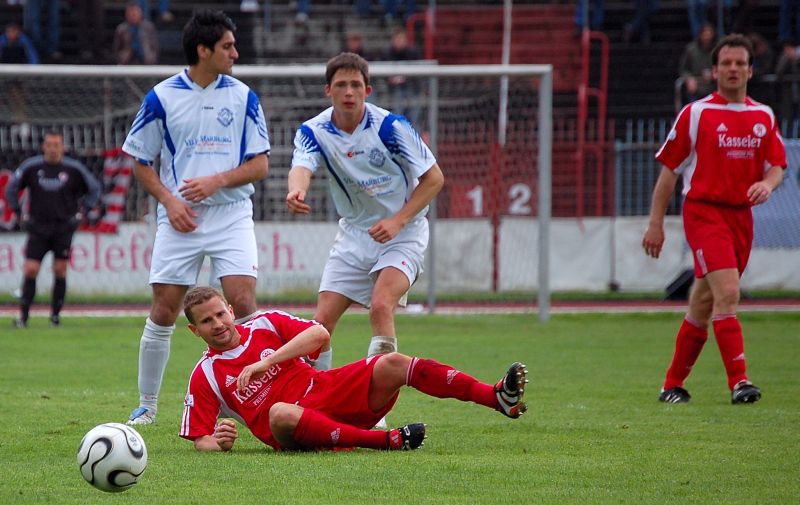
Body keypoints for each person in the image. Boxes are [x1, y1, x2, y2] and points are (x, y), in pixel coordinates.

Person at [121, 9, 270, 425]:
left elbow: (260, 164)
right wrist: (169, 202)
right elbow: (139, 161)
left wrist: (217, 180)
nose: (235, 53)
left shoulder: (244, 97)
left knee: (242, 303)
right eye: (227, 46)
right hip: (180, 216)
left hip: (231, 213)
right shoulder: (161, 97)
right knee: (164, 308)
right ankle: (147, 405)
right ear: (203, 50)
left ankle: (252, 397)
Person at [179, 286, 528, 452]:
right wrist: (220, 443)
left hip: (325, 390)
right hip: (290, 426)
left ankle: (496, 397)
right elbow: (200, 439)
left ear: (230, 309)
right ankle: (384, 441)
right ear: (195, 330)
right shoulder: (205, 374)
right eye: (207, 321)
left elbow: (320, 333)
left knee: (392, 363)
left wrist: (267, 362)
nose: (218, 324)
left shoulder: (265, 323)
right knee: (280, 412)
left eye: (220, 314)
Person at [642, 34, 786, 405]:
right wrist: (656, 223)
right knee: (729, 292)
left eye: (740, 63)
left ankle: (672, 385)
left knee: (704, 301)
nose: (733, 69)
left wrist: (767, 184)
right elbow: (670, 172)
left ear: (751, 70)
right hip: (704, 213)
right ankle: (740, 382)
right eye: (726, 63)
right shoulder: (697, 114)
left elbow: (777, 165)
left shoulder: (763, 115)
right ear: (714, 71)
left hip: (741, 218)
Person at [286, 53, 443, 381]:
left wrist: (398, 220)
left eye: (356, 85)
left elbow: (434, 179)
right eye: (341, 85)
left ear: (367, 90)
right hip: (355, 234)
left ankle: (377, 399)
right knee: (319, 326)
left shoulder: (392, 127)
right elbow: (302, 166)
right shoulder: (312, 131)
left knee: (381, 305)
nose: (349, 92)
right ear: (328, 90)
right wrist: (296, 190)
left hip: (404, 231)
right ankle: (316, 394)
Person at [5, 131, 101, 329]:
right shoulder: (32, 167)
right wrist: (18, 212)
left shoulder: (73, 169)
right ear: (43, 147)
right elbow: (11, 188)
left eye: (56, 145)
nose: (53, 149)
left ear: (62, 147)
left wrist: (83, 212)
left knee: (60, 269)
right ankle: (23, 317)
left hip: (63, 227)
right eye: (49, 144)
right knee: (31, 269)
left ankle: (55, 317)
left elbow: (94, 188)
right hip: (38, 226)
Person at [383, 26, 422, 126]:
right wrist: (391, 79)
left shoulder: (413, 52)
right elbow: (384, 73)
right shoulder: (388, 53)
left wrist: (404, 78)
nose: (399, 42)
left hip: (412, 88)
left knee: (414, 112)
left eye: (401, 39)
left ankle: (413, 132)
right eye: (397, 39)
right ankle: (398, 130)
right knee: (398, 102)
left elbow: (417, 72)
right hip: (394, 89)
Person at [679, 23, 716, 106]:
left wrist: (714, 74)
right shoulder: (691, 49)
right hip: (696, 85)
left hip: (713, 86)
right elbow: (683, 69)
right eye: (705, 34)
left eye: (709, 34)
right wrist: (689, 78)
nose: (707, 37)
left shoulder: (717, 49)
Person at [113, 1, 159, 65]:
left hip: (146, 61)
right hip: (126, 62)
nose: (133, 15)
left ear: (140, 13)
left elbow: (155, 49)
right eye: (130, 13)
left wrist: (145, 47)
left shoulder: (149, 28)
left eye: (135, 12)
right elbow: (116, 51)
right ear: (126, 14)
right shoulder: (121, 29)